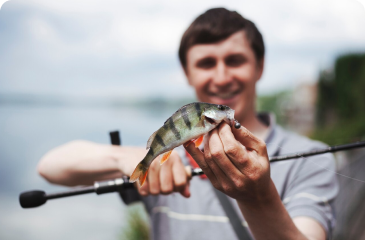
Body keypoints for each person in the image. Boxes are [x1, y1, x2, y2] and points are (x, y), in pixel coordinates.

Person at [38, 8, 338, 240]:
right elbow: (50, 167)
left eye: (235, 60)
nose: (221, 77)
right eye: (206, 63)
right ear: (187, 72)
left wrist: (257, 198)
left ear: (259, 66)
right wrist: (126, 158)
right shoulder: (172, 154)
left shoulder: (312, 157)